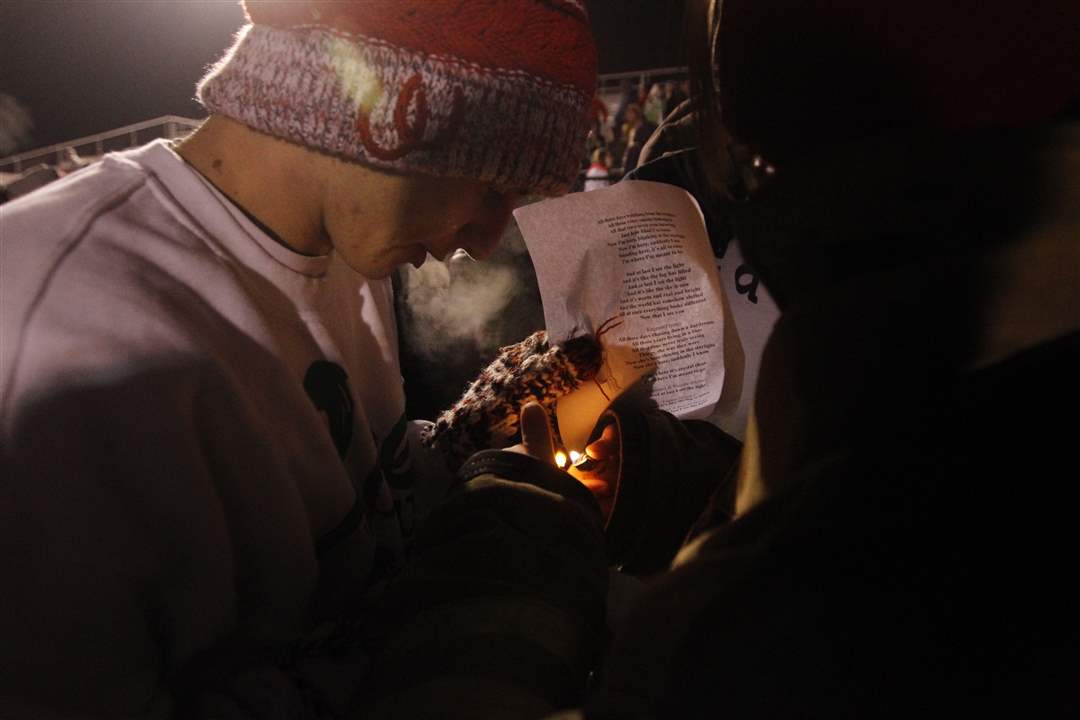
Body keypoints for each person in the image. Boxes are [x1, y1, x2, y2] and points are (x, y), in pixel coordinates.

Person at [373, 0, 1080, 717]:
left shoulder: (787, 609)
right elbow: (792, 491)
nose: (484, 241)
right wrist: (643, 475)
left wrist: (519, 515)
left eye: (760, 163)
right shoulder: (942, 322)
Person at [0, 0, 600, 716]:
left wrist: (471, 440)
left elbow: (354, 498)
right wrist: (471, 618)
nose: (486, 241)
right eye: (494, 188)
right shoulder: (47, 322)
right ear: (393, 114)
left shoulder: (346, 240)